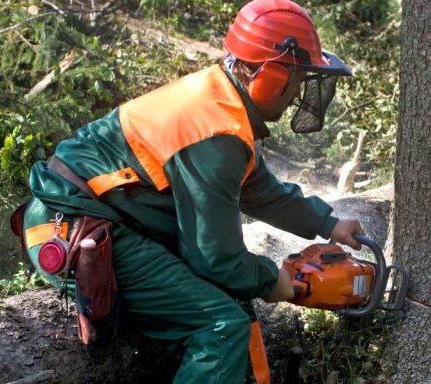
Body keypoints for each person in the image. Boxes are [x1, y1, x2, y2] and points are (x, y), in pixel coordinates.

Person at [18, 0, 363, 382]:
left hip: (99, 216)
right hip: (78, 228)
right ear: (271, 74)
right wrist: (272, 282)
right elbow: (215, 259)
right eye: (298, 79)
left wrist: (328, 223)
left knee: (222, 300)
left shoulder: (220, 104)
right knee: (221, 326)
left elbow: (261, 190)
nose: (299, 93)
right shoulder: (217, 132)